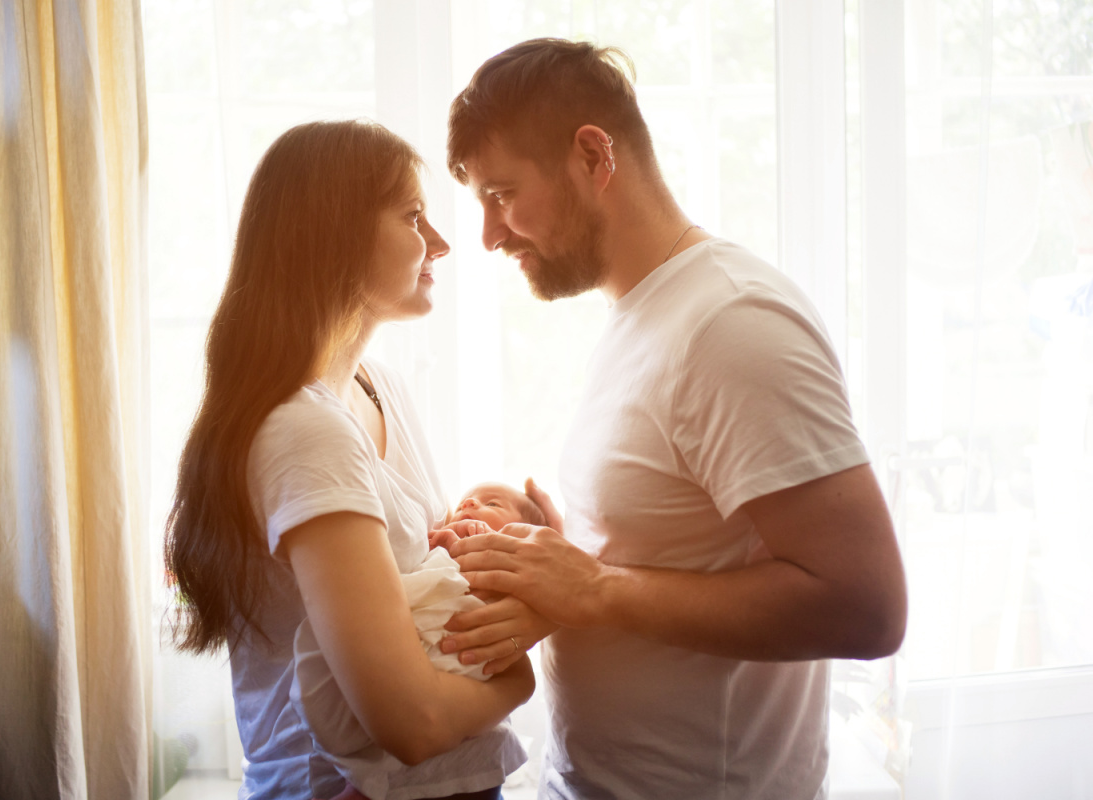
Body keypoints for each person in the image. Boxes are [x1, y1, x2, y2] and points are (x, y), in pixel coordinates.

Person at [439, 38, 909, 800]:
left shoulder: (733, 322)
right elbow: (680, 545)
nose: (489, 234)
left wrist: (592, 586)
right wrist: (558, 555)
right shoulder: (642, 313)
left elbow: (867, 607)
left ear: (593, 156)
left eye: (500, 194)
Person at [163, 120, 533, 800]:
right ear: (332, 234)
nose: (443, 244)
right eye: (415, 217)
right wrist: (521, 675)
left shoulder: (377, 385)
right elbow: (413, 724)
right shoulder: (304, 431)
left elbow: (430, 593)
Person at [296, 481, 547, 783]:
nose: (469, 505)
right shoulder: (448, 538)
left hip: (465, 648)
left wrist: (456, 539)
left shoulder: (499, 551)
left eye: (491, 504)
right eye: (466, 500)